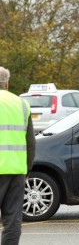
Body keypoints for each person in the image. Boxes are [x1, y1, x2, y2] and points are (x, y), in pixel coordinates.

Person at [0, 66, 36, 245]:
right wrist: (27, 169)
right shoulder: (22, 104)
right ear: (7, 83)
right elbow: (31, 142)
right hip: (16, 171)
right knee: (12, 220)